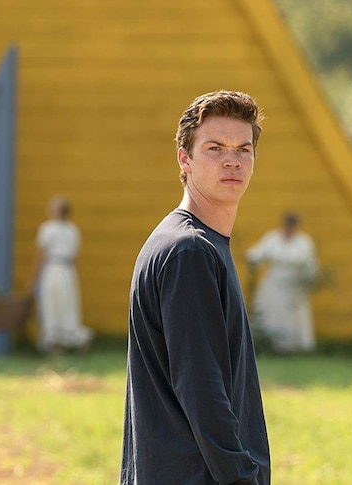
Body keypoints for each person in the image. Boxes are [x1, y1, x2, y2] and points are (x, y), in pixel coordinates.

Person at [121, 90, 270, 485]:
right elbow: (202, 389)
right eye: (215, 148)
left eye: (243, 148)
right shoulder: (189, 251)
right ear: (184, 159)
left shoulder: (198, 243)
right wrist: (243, 478)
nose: (232, 160)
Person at [245, 212, 318, 353]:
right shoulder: (272, 238)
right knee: (270, 311)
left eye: (292, 226)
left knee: (294, 316)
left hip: (294, 285)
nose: (289, 229)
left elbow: (310, 264)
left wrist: (310, 278)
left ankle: (295, 348)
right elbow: (259, 252)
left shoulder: (304, 242)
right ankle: (270, 345)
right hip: (274, 283)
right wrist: (252, 258)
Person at [29, 196, 93, 354]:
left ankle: (56, 343)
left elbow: (41, 255)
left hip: (52, 269)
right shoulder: (72, 230)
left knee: (51, 304)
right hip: (68, 271)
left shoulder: (47, 228)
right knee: (68, 305)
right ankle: (76, 338)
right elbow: (75, 257)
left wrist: (33, 278)